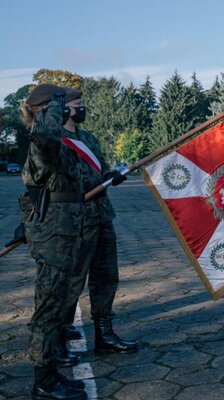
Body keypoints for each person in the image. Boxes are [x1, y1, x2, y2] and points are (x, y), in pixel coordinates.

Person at [19, 84, 88, 399]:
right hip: (53, 237)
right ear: (48, 109)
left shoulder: (52, 142)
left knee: (55, 303)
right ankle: (44, 380)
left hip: (60, 234)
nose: (71, 108)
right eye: (63, 103)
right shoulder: (42, 139)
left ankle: (50, 374)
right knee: (48, 308)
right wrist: (53, 109)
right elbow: (46, 135)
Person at [59, 87, 138, 357]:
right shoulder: (55, 140)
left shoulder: (88, 138)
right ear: (62, 108)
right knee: (72, 279)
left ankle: (104, 335)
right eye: (77, 104)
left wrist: (111, 175)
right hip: (75, 221)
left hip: (102, 215)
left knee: (106, 277)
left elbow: (99, 169)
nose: (81, 108)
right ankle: (57, 337)